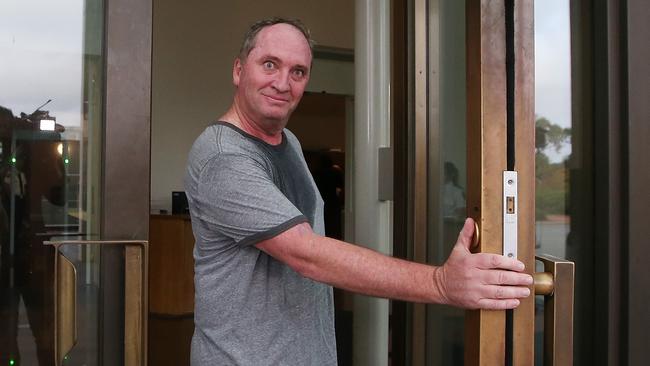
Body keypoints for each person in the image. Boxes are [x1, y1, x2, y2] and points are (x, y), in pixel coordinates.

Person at [185, 17, 532, 365]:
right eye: (270, 64)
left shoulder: (286, 141)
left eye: (298, 72)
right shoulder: (222, 156)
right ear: (238, 70)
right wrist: (441, 283)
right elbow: (306, 254)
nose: (282, 83)